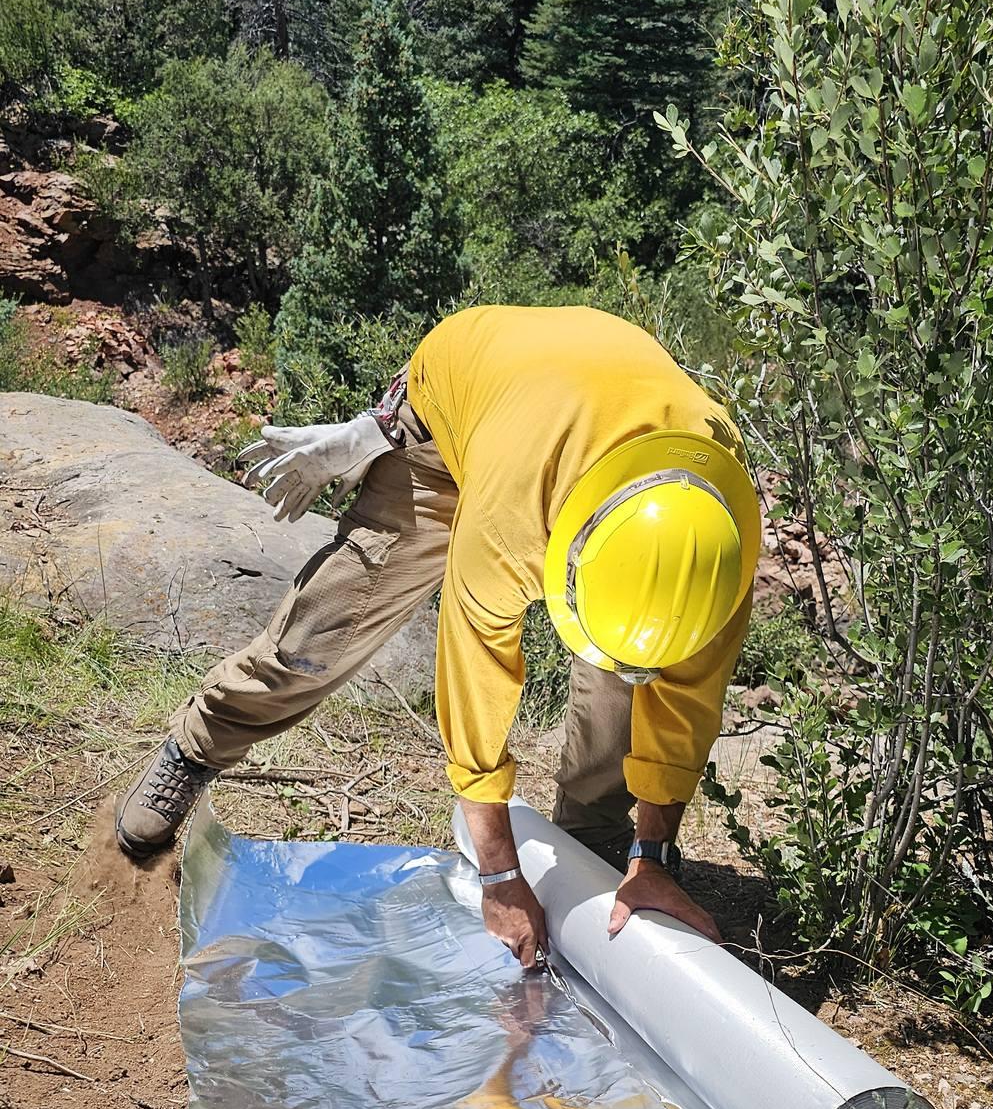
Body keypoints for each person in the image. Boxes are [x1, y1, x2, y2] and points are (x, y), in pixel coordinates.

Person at [116, 305, 760, 969]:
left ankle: (592, 843)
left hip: (565, 408)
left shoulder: (714, 542)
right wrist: (499, 878)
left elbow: (683, 702)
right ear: (565, 558)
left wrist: (650, 854)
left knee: (626, 683)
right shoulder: (513, 523)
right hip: (455, 422)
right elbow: (473, 683)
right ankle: (194, 747)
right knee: (325, 633)